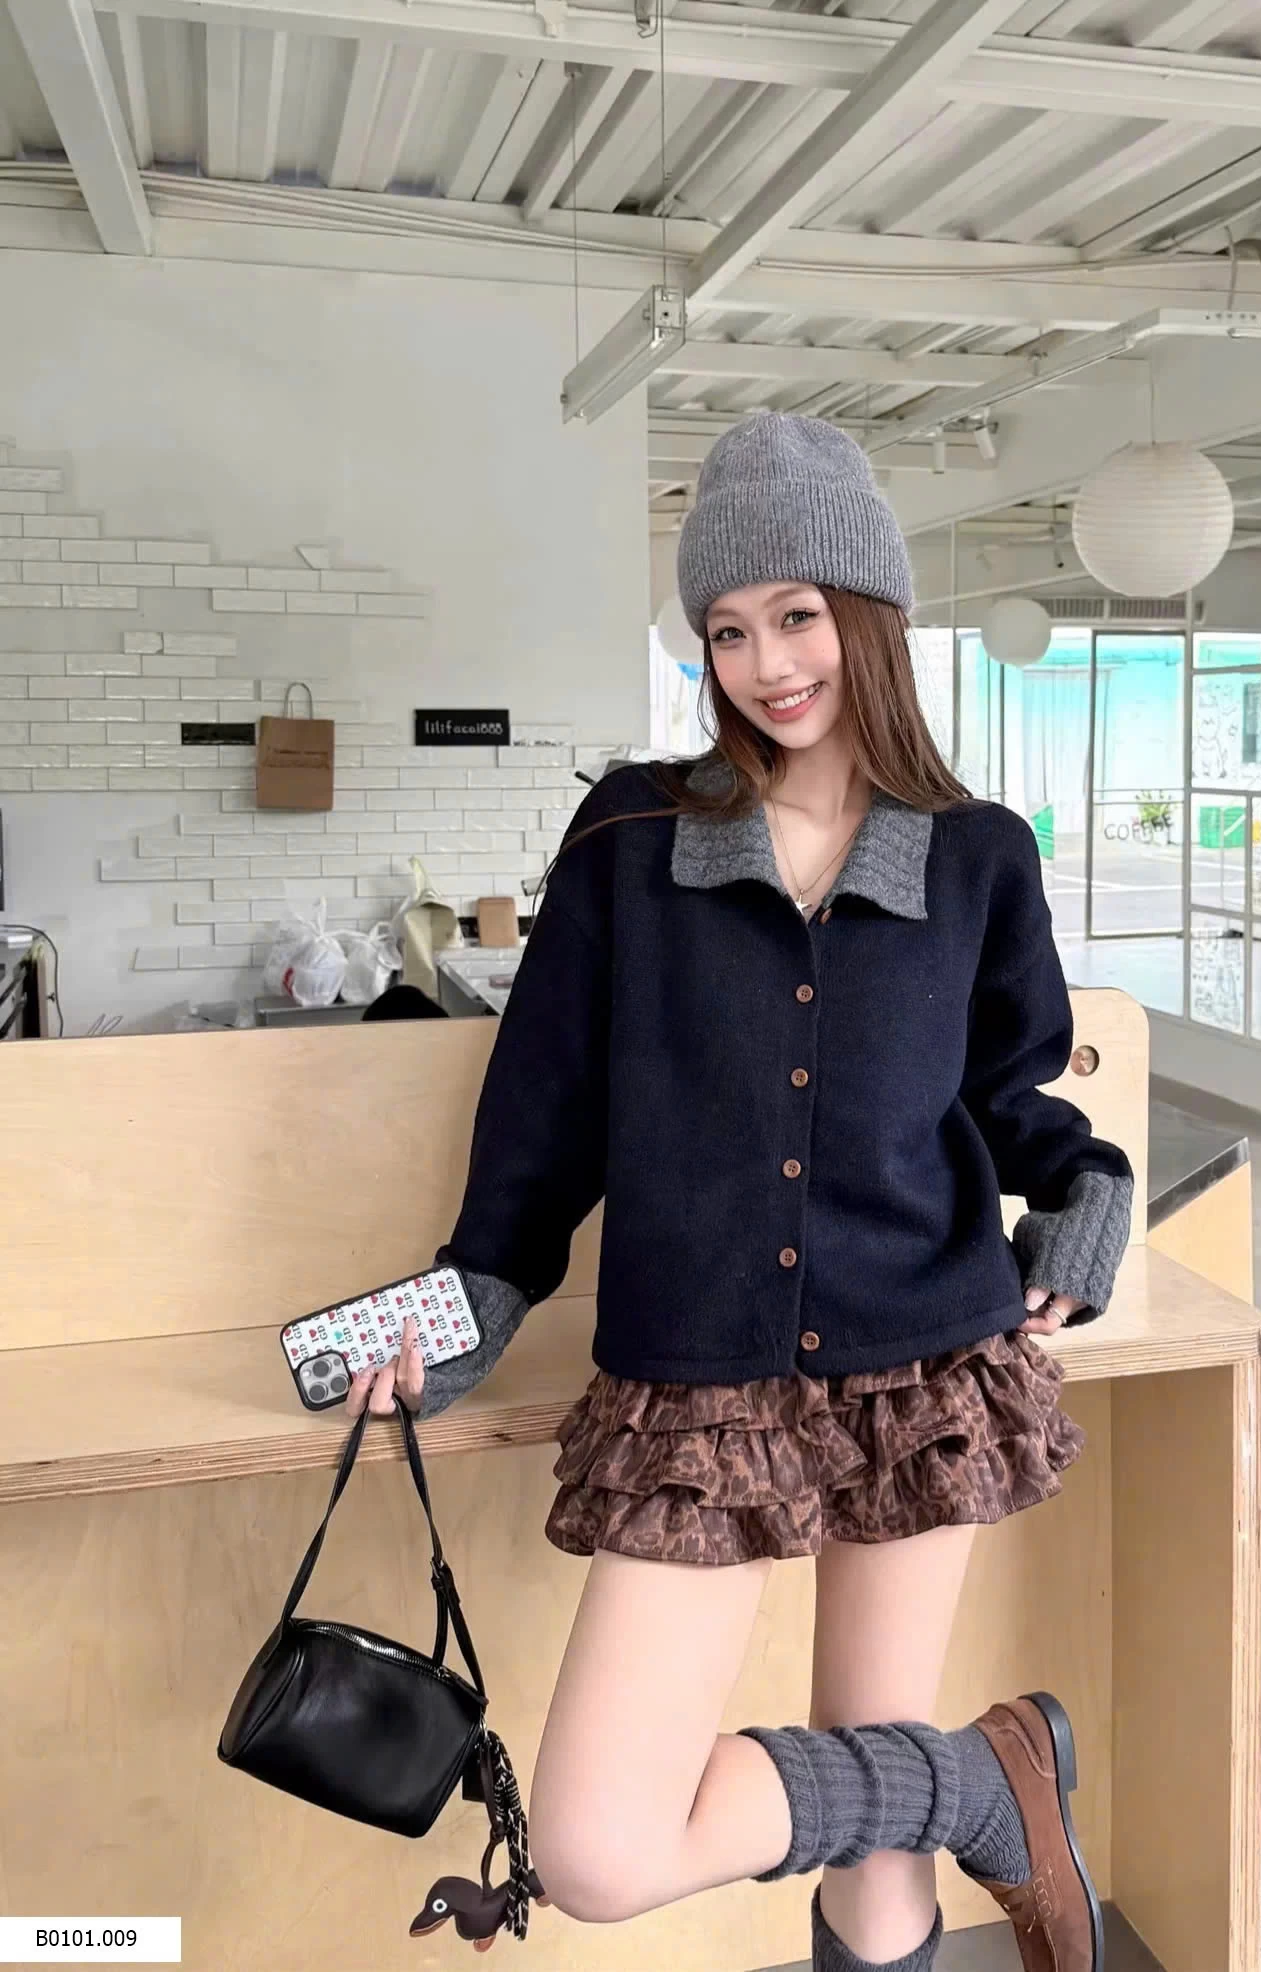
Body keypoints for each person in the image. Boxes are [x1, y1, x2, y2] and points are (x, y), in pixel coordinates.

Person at [348, 412, 1133, 1972]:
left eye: (796, 615)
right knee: (594, 1847)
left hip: (922, 1364)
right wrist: (474, 1292)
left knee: (879, 1870)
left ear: (869, 614)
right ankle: (987, 1778)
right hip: (695, 1383)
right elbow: (548, 1106)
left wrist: (1084, 1186)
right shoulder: (635, 833)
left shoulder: (976, 855)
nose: (764, 663)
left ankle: (954, 1792)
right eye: (724, 628)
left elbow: (1001, 1093)